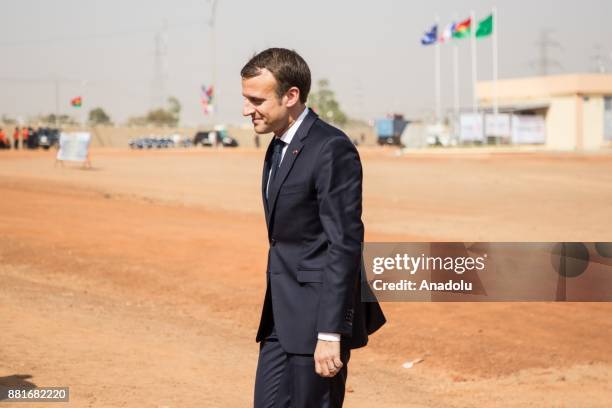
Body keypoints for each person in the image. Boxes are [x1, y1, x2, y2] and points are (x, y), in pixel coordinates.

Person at [241, 48, 386, 408]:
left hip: (317, 319)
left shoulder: (330, 148)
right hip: (280, 316)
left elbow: (345, 244)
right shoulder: (277, 147)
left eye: (256, 100)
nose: (247, 109)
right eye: (246, 99)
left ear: (291, 96)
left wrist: (329, 332)